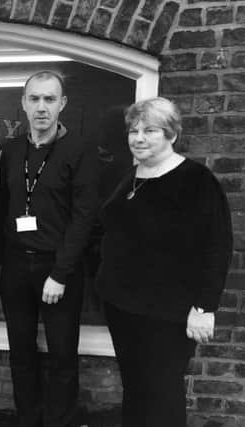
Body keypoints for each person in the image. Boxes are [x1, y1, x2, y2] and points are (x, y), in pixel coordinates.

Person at [95, 97, 232, 427]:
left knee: (162, 392)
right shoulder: (130, 176)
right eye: (133, 130)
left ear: (172, 134)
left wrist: (204, 307)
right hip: (122, 305)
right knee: (135, 388)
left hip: (168, 312)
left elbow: (217, 245)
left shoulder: (196, 180)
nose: (138, 138)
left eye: (150, 130)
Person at [0, 71, 99, 427]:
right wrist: (2, 258)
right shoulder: (10, 150)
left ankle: (59, 421)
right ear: (23, 103)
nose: (41, 107)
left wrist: (60, 273)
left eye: (49, 99)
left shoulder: (80, 150)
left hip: (59, 270)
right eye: (34, 99)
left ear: (62, 104)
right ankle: (28, 419)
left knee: (62, 356)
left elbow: (85, 217)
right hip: (16, 268)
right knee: (20, 353)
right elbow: (0, 206)